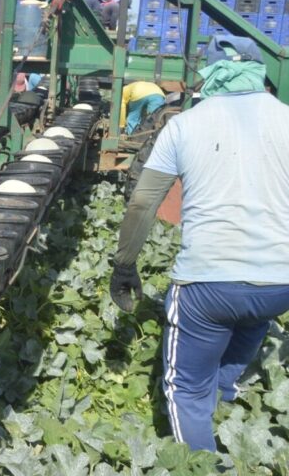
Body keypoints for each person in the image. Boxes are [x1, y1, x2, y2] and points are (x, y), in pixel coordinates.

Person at [109, 35, 289, 453]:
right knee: (243, 332)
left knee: (183, 389)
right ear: (259, 69)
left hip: (208, 285)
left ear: (207, 72)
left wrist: (124, 265)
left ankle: (199, 460)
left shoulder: (185, 124)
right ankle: (222, 409)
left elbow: (142, 203)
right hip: (279, 286)